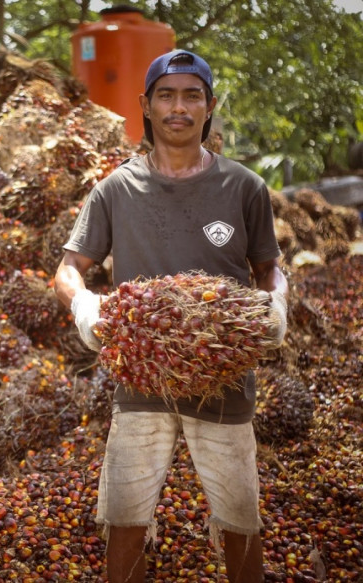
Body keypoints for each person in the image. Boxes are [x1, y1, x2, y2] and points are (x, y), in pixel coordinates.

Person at [54, 49, 288, 582]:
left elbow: (269, 269)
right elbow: (69, 269)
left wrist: (276, 304)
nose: (178, 108)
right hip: (141, 381)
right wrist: (86, 306)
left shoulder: (244, 187)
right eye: (166, 95)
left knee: (240, 518)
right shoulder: (116, 189)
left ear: (209, 106)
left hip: (224, 379)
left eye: (191, 96)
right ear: (146, 106)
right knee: (125, 517)